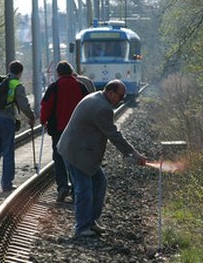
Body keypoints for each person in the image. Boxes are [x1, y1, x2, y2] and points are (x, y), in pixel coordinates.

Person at [57, 79, 147, 237]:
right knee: (84, 189)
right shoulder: (102, 108)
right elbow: (114, 135)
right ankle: (82, 227)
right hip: (77, 152)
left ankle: (91, 222)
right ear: (111, 92)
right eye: (120, 96)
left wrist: (128, 154)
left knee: (99, 182)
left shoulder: (96, 97)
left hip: (78, 149)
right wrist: (134, 153)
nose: (121, 100)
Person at [40, 61, 88, 202]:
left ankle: (62, 187)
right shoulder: (81, 86)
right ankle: (75, 189)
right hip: (78, 130)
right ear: (71, 71)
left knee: (59, 158)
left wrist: (43, 121)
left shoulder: (54, 87)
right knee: (75, 159)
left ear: (58, 73)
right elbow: (87, 104)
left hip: (58, 130)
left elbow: (46, 106)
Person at [0, 60, 36, 192]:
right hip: (6, 119)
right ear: (20, 72)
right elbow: (24, 105)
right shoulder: (17, 85)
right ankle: (6, 184)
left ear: (9, 69)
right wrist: (31, 116)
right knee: (7, 151)